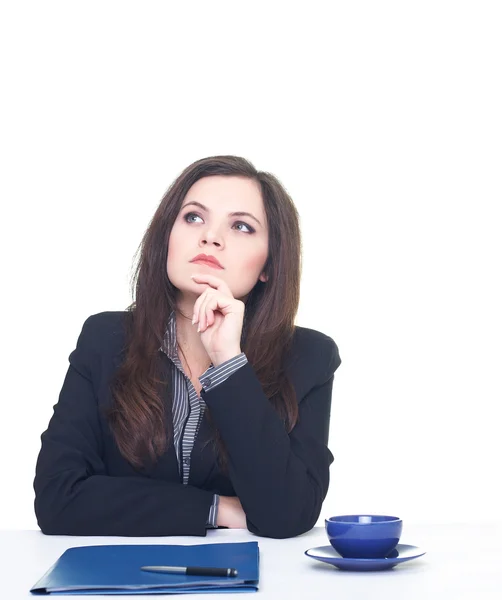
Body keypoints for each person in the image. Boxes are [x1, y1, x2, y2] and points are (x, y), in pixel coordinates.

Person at [34, 155, 341, 539]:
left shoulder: (309, 357)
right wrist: (216, 508)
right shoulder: (104, 339)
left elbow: (288, 514)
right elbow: (57, 498)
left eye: (242, 226)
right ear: (167, 236)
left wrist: (228, 362)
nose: (211, 237)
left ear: (269, 266)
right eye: (194, 217)